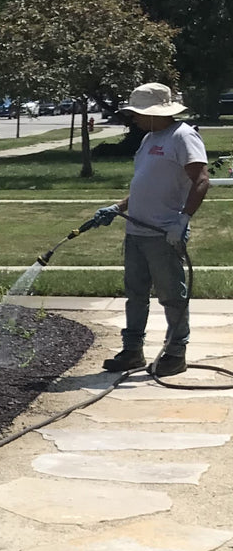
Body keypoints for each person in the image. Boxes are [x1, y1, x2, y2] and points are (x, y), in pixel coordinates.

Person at [92, 83, 209, 376]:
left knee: (172, 296)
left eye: (139, 113)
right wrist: (118, 208)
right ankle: (132, 351)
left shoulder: (182, 136)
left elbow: (201, 180)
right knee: (135, 294)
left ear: (157, 113)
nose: (135, 118)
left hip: (163, 234)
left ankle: (175, 352)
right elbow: (145, 185)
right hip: (137, 232)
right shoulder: (149, 139)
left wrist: (182, 220)